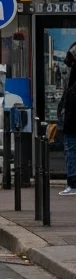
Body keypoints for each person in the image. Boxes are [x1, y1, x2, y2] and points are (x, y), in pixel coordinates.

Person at [60, 44, 76, 197]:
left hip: (72, 121)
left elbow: (68, 99)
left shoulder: (72, 76)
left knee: (71, 150)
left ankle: (72, 184)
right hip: (71, 119)